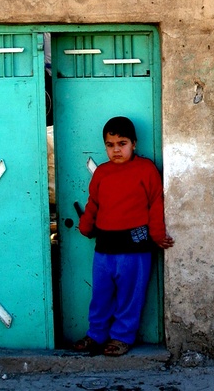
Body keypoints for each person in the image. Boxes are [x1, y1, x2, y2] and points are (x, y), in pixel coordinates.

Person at [74, 116, 174, 356]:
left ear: (134, 143)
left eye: (122, 143)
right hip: (105, 248)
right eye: (110, 145)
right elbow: (93, 203)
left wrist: (157, 234)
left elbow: (155, 204)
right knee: (100, 295)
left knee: (130, 296)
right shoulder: (102, 173)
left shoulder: (146, 170)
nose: (116, 149)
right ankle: (96, 334)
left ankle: (121, 337)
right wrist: (85, 226)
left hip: (135, 248)